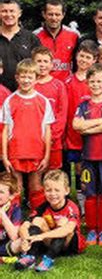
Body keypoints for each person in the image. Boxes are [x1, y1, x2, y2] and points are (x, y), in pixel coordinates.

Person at [72, 63, 102, 247]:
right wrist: (100, 122)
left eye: (99, 81)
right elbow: (76, 126)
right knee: (90, 193)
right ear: (87, 82)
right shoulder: (83, 105)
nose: (96, 84)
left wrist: (87, 126)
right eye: (92, 81)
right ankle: (92, 229)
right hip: (88, 156)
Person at [1, 59, 54, 211]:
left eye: (29, 77)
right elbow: (4, 129)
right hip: (16, 151)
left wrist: (47, 156)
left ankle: (35, 215)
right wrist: (4, 155)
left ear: (36, 79)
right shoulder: (10, 101)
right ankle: (14, 218)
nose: (26, 80)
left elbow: (47, 129)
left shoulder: (43, 101)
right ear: (17, 78)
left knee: (36, 186)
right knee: (16, 187)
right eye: (22, 77)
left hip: (36, 151)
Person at [15, 170, 85, 272]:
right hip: (50, 243)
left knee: (64, 222)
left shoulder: (72, 207)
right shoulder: (43, 206)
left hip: (68, 246)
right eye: (48, 190)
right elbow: (24, 226)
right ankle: (30, 256)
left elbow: (68, 230)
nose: (52, 194)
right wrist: (26, 239)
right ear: (44, 191)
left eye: (57, 190)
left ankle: (48, 259)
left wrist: (41, 236)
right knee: (37, 220)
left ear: (66, 191)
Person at [65, 40, 97, 202]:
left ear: (94, 60)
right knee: (75, 167)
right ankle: (76, 199)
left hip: (90, 134)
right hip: (71, 135)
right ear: (76, 56)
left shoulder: (95, 83)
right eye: (81, 56)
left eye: (88, 57)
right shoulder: (68, 81)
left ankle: (87, 200)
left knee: (86, 168)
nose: (84, 60)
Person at [32, 47, 68, 171]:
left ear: (52, 64)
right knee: (36, 174)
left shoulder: (58, 85)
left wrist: (53, 135)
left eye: (45, 61)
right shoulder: (29, 85)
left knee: (53, 173)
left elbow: (62, 113)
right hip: (34, 139)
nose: (42, 65)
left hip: (53, 140)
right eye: (39, 61)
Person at [0, 0, 40, 91]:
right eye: (4, 11)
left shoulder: (31, 38)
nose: (8, 14)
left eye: (12, 11)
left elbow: (39, 68)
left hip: (25, 93)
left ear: (19, 13)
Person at [34, 0, 79, 82]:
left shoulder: (74, 35)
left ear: (63, 15)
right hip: (43, 86)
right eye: (50, 14)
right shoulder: (35, 36)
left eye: (57, 14)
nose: (54, 18)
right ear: (44, 14)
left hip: (66, 86)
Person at [0, 172, 23, 258]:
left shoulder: (15, 209)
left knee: (20, 242)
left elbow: (14, 236)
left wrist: (2, 213)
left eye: (1, 192)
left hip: (6, 245)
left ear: (11, 196)